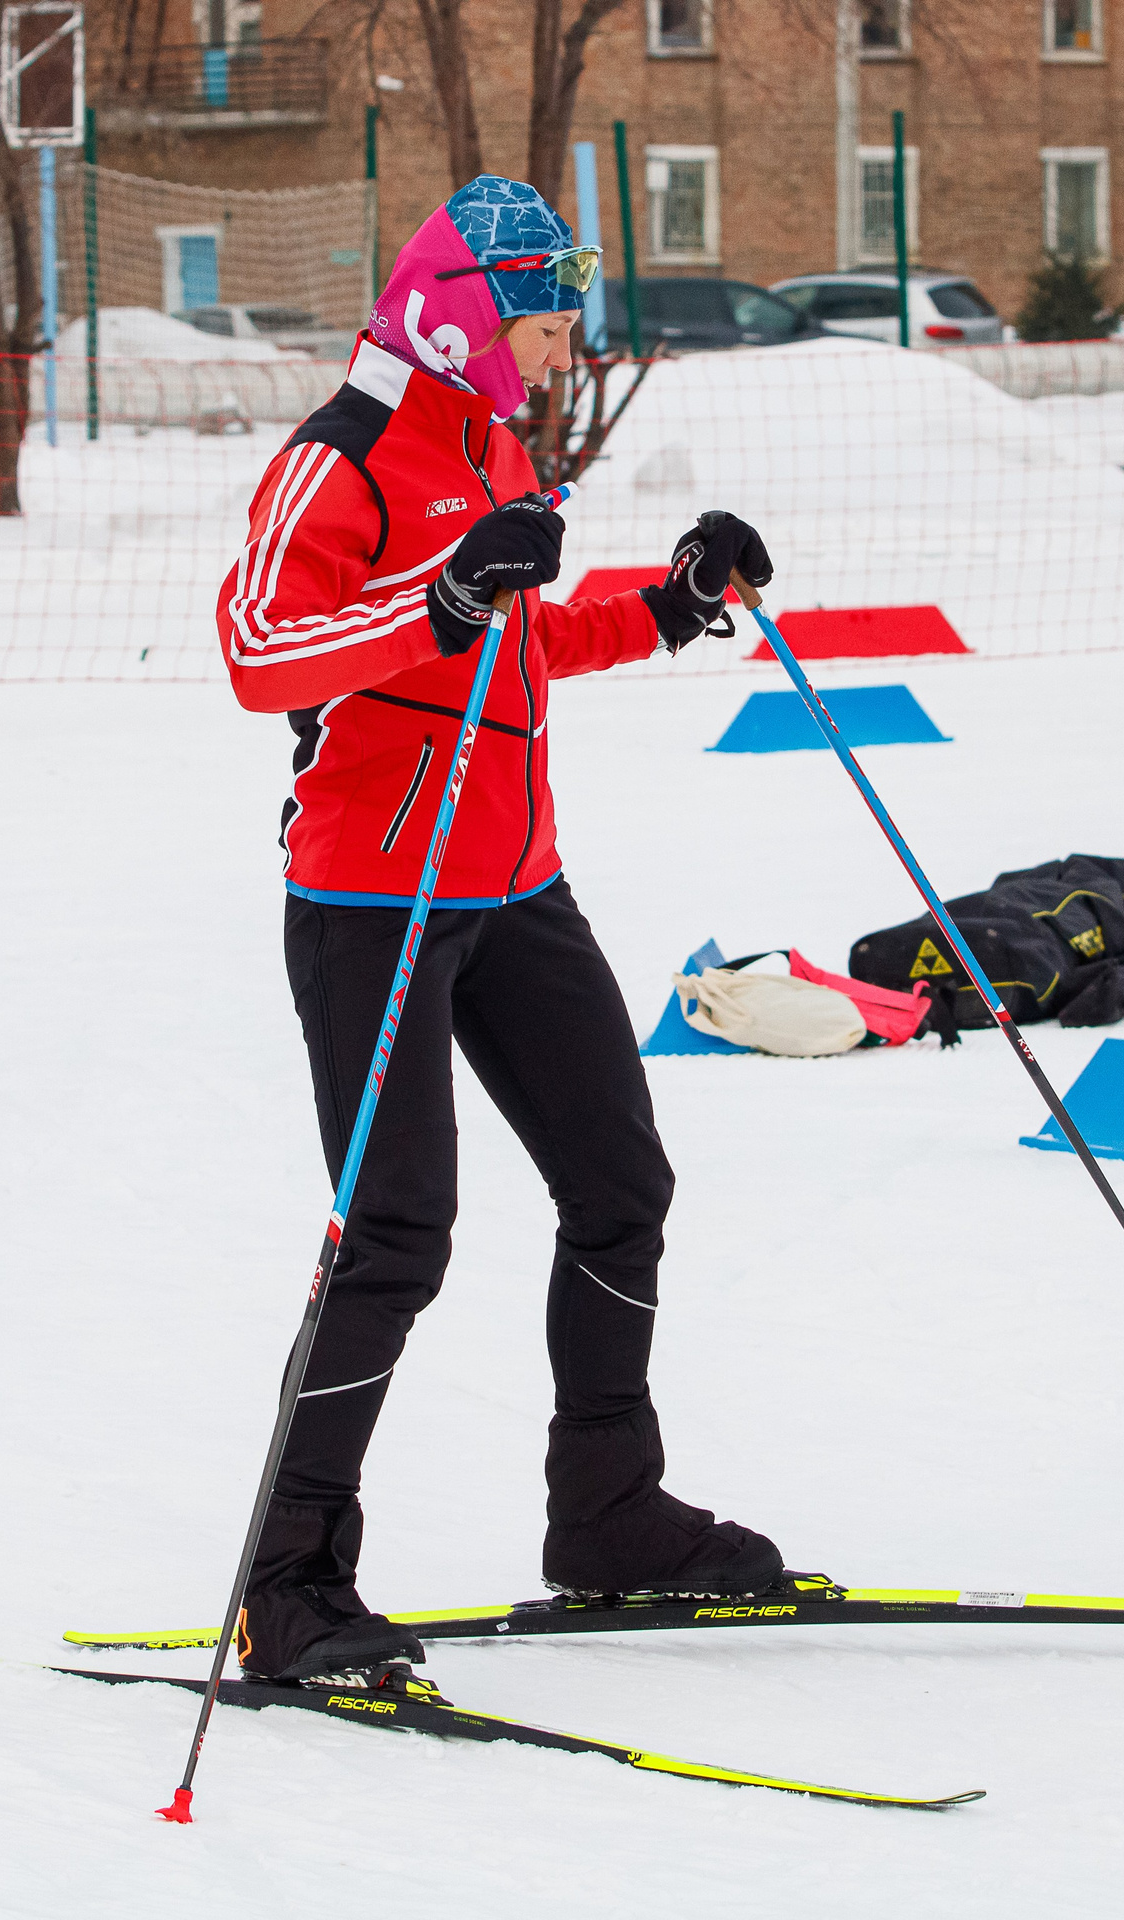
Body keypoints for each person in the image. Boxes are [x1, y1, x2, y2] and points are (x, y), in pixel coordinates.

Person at [215, 175, 784, 1690]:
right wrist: (443, 598)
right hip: (372, 898)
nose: (554, 360)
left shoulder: (488, 443)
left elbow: (510, 635)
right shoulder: (340, 458)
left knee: (619, 1185)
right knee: (397, 1237)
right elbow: (262, 651)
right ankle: (290, 1587)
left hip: (514, 881)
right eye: (538, 330)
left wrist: (664, 605)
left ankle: (607, 1516)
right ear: (461, 316)